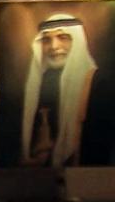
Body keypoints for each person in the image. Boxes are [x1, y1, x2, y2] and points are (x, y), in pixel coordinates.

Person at [21, 13, 115, 168]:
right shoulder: (39, 83)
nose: (54, 46)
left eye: (62, 37)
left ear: (77, 42)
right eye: (46, 40)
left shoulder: (98, 83)